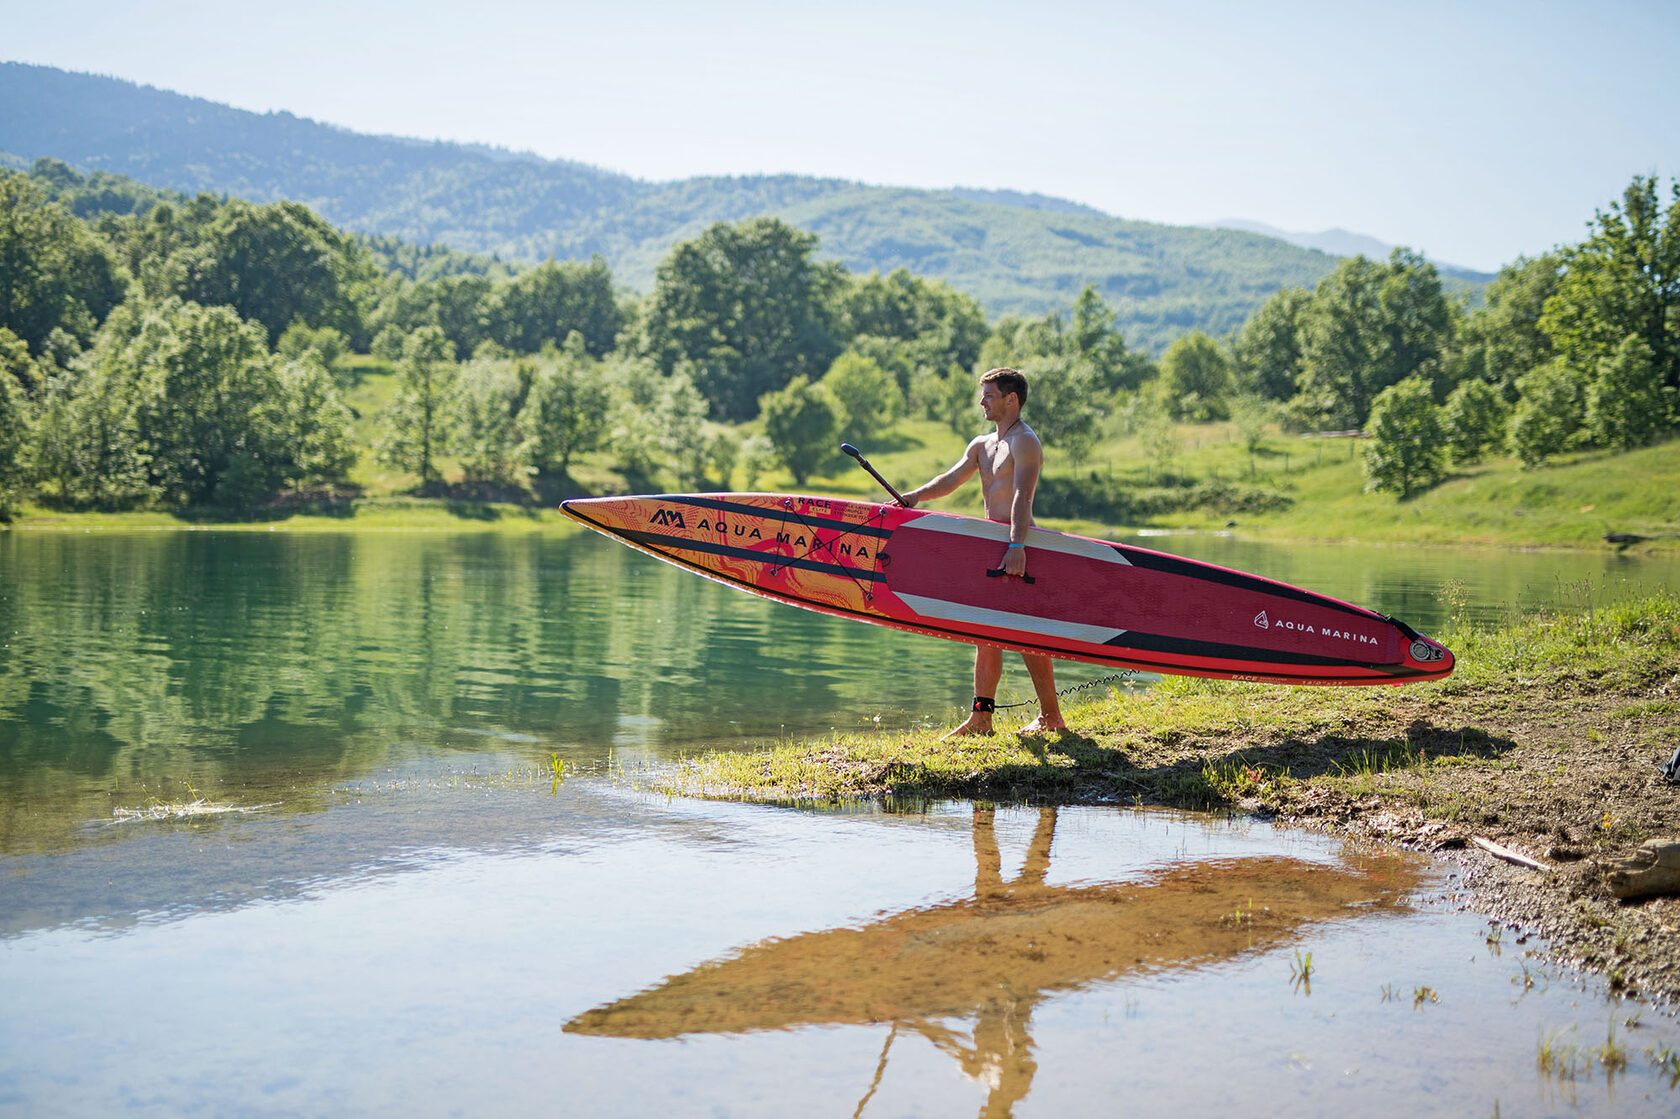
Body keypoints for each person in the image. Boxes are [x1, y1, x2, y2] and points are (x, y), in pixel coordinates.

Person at [898, 368, 1066, 738]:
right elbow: (952, 478)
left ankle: (1052, 717)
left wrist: (1018, 545)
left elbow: (1023, 494)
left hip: (1020, 546)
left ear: (1012, 399)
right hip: (991, 547)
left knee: (1027, 634)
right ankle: (982, 719)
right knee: (986, 631)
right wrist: (914, 497)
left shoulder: (1025, 442)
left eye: (989, 395)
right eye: (983, 395)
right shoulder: (981, 445)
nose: (982, 402)